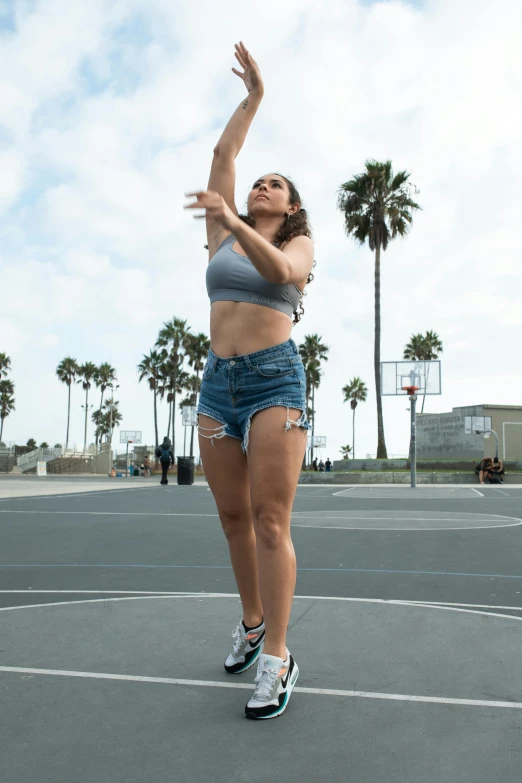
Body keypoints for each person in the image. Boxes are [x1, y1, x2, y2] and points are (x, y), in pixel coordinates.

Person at [184, 42, 314, 721]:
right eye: (256, 181)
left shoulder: (296, 244)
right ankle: (253, 619)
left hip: (274, 384)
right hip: (216, 386)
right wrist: (254, 97)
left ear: (290, 207)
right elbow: (223, 160)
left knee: (269, 519)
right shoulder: (222, 234)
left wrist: (237, 216)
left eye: (275, 184)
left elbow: (287, 276)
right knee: (232, 517)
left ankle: (279, 657)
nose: (259, 185)